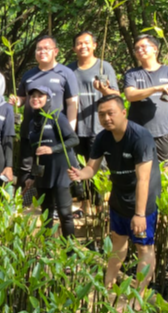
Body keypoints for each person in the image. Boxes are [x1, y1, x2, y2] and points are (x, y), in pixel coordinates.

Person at [68, 94, 160, 293]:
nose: (106, 118)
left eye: (111, 113)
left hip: (142, 200)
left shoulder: (140, 137)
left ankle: (139, 295)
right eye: (101, 115)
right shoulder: (103, 138)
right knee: (117, 241)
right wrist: (79, 174)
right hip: (119, 197)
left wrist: (140, 214)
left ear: (123, 112)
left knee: (144, 248)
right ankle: (107, 285)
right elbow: (91, 168)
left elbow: (144, 180)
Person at [12, 36, 79, 190]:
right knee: (26, 167)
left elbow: (72, 103)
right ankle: (25, 204)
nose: (42, 52)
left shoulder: (66, 73)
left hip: (54, 132)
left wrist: (69, 129)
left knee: (52, 167)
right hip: (30, 129)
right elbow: (22, 99)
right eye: (39, 49)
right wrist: (16, 101)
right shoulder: (28, 75)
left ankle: (52, 206)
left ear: (55, 51)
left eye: (46, 48)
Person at [67, 31, 120, 215]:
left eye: (87, 43)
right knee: (78, 167)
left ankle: (99, 207)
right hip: (75, 128)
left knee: (99, 167)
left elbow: (116, 96)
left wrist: (104, 90)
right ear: (74, 48)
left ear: (95, 45)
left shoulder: (104, 67)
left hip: (98, 128)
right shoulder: (69, 70)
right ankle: (84, 205)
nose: (83, 46)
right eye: (79, 43)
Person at [123, 35, 168, 167]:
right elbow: (130, 95)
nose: (140, 50)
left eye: (143, 47)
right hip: (137, 131)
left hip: (161, 131)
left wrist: (162, 109)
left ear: (155, 49)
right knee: (136, 169)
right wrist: (157, 88)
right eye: (136, 48)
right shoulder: (132, 74)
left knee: (163, 171)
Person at [26, 85, 78, 239]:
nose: (35, 99)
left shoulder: (57, 116)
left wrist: (52, 149)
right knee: (46, 213)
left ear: (48, 98)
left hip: (61, 170)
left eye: (40, 96)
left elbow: (74, 139)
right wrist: (31, 176)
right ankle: (47, 250)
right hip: (43, 173)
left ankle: (70, 250)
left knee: (64, 213)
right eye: (32, 96)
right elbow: (34, 152)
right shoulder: (31, 123)